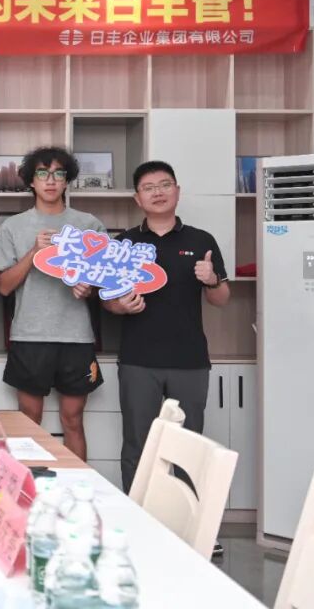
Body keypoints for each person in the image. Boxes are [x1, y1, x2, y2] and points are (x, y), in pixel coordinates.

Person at [104, 160, 229, 495]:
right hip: (138, 361)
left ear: (177, 191)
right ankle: (137, 515)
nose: (157, 193)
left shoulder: (201, 240)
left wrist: (212, 280)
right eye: (148, 188)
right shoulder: (124, 243)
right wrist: (119, 306)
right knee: (137, 444)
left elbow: (221, 299)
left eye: (164, 185)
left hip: (189, 360)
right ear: (137, 198)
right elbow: (107, 302)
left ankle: (188, 521)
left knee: (188, 447)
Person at [0, 147, 106, 461]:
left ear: (67, 180)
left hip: (76, 336)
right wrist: (34, 252)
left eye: (58, 173)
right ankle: (27, 488)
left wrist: (89, 287)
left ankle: (78, 486)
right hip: (30, 335)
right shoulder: (13, 227)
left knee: (73, 420)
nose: (51, 180)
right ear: (31, 181)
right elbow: (4, 287)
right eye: (43, 173)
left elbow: (105, 283)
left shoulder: (89, 225)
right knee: (29, 422)